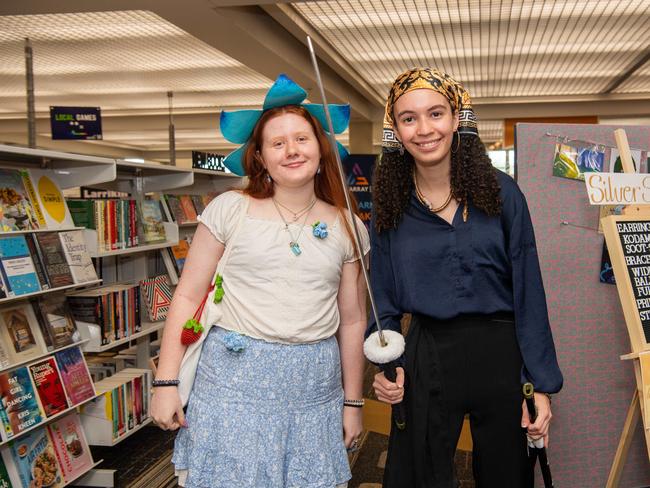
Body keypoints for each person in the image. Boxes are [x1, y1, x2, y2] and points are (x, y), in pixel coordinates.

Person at [150, 74, 369, 488]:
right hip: (232, 387)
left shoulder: (348, 226)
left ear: (322, 150)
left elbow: (353, 320)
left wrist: (353, 401)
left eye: (301, 139)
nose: (291, 150)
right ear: (261, 157)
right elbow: (186, 296)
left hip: (314, 391)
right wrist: (167, 382)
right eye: (278, 143)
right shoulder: (230, 209)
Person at [368, 68, 563, 488]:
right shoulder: (391, 206)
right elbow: (379, 293)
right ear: (395, 130)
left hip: (501, 354)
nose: (424, 129)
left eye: (436, 113)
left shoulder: (502, 193)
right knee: (420, 474)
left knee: (506, 475)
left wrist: (538, 385)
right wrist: (387, 364)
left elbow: (529, 293)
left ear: (457, 118)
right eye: (408, 118)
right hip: (427, 354)